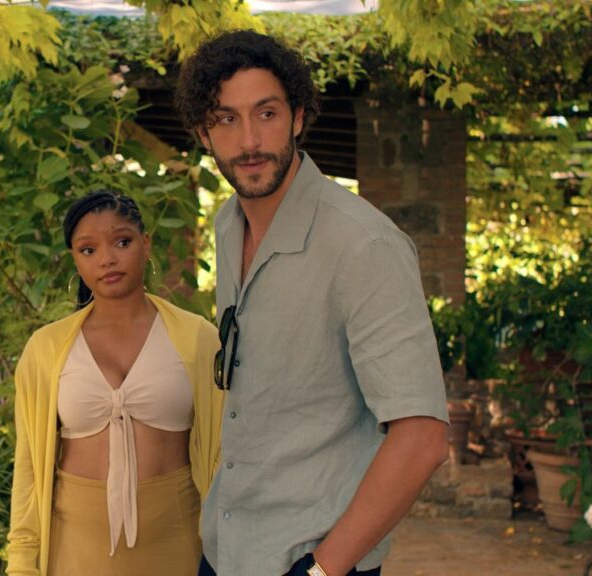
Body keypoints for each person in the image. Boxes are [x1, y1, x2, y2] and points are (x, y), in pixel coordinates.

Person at [174, 31, 450, 576]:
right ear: (205, 134)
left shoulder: (364, 245)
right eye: (226, 119)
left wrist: (323, 569)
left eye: (267, 113)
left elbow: (422, 437)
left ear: (298, 117)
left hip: (313, 560)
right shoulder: (228, 225)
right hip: (227, 550)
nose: (249, 140)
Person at [6, 191, 224, 576]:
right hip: (73, 550)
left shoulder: (198, 339)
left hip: (178, 542)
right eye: (88, 250)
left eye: (121, 242)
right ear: (75, 259)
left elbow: (225, 453)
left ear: (146, 244)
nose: (106, 259)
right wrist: (22, 563)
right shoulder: (46, 349)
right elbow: (28, 471)